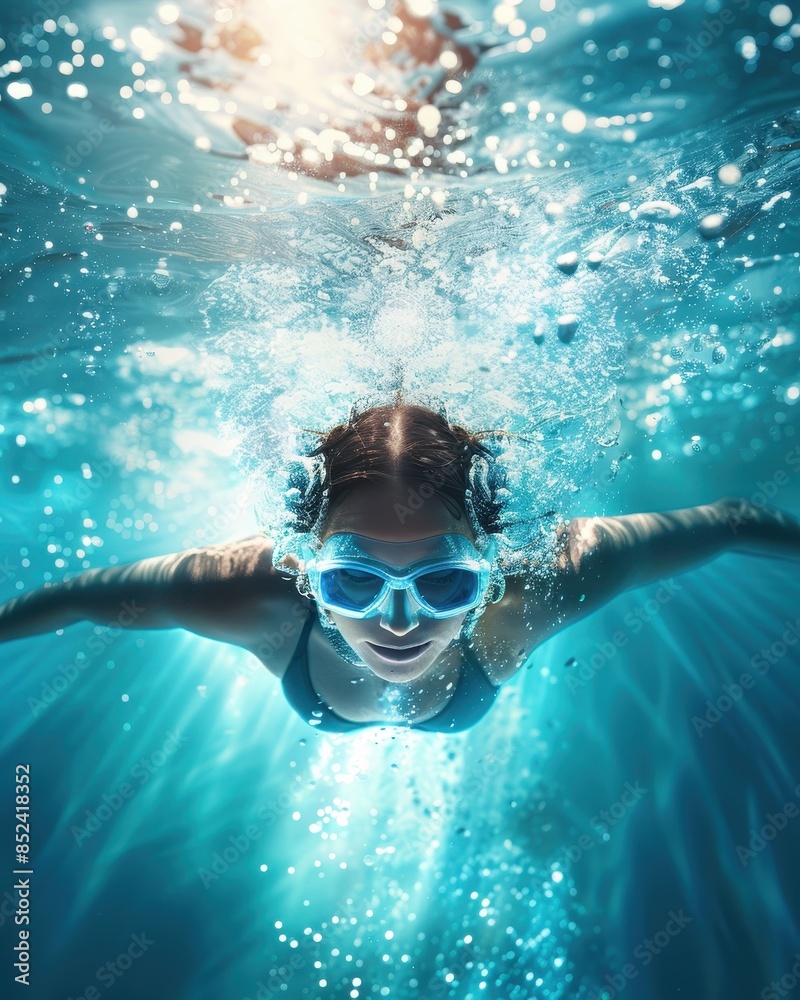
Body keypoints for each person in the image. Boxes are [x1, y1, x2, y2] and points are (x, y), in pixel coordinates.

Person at [1, 402, 798, 732]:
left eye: (445, 582)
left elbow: (730, 521)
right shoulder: (250, 592)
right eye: (353, 580)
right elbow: (82, 598)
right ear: (307, 568)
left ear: (491, 565)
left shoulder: (536, 586)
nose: (398, 622)